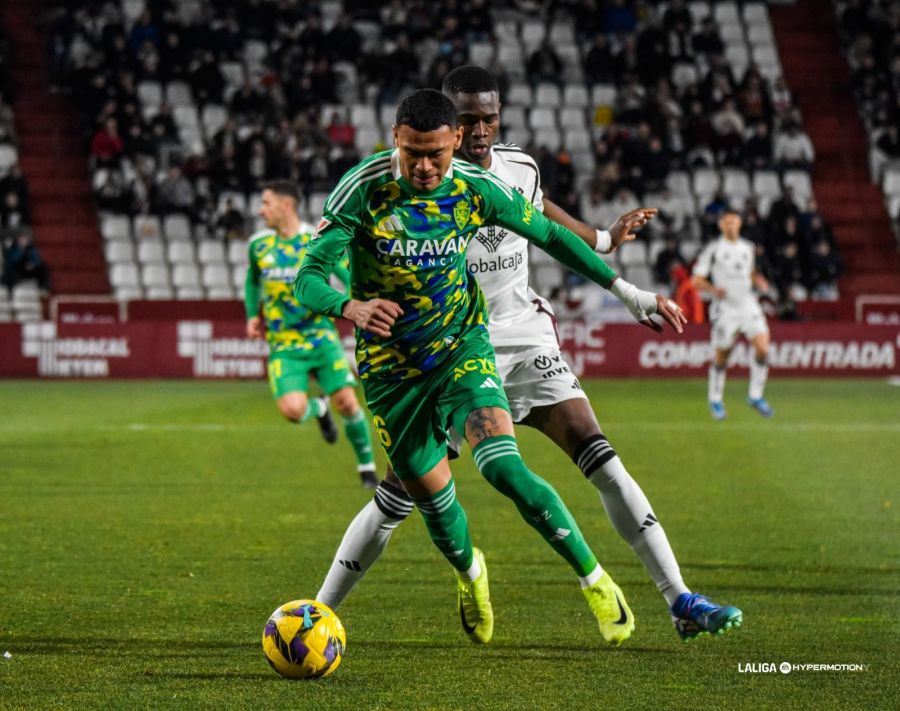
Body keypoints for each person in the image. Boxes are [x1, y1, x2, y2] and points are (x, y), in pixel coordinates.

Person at [310, 67, 742, 644]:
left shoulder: (510, 172)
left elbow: (547, 226)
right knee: (402, 500)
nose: (481, 129)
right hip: (416, 358)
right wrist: (353, 305)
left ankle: (678, 598)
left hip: (504, 340)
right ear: (434, 131)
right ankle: (323, 611)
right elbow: (314, 271)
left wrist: (620, 272)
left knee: (593, 457)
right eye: (469, 119)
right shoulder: (379, 188)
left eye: (488, 118)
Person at [245, 180, 377, 488]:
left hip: (320, 338)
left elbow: (346, 272)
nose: (261, 210)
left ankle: (367, 467)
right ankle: (319, 408)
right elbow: (252, 280)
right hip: (283, 345)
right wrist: (253, 315)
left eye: (266, 203)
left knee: (347, 401)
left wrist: (361, 303)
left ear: (286, 205)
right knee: (292, 411)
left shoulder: (315, 240)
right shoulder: (258, 245)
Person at [692, 210, 774, 420]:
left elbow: (750, 272)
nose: (730, 226)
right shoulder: (714, 249)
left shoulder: (748, 248)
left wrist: (758, 280)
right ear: (721, 225)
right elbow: (696, 279)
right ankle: (716, 400)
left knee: (763, 349)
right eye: (726, 222)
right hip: (725, 308)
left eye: (734, 222)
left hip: (747, 303)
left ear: (739, 224)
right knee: (722, 357)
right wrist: (712, 290)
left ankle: (755, 396)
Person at [2, 230, 50, 296]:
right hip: (17, 271)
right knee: (10, 275)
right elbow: (12, 261)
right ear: (17, 239)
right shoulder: (13, 248)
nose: (23, 240)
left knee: (43, 268)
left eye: (24, 239)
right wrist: (20, 250)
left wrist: (33, 264)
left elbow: (37, 260)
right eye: (21, 238)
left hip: (28, 270)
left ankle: (43, 288)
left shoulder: (31, 248)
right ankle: (10, 294)